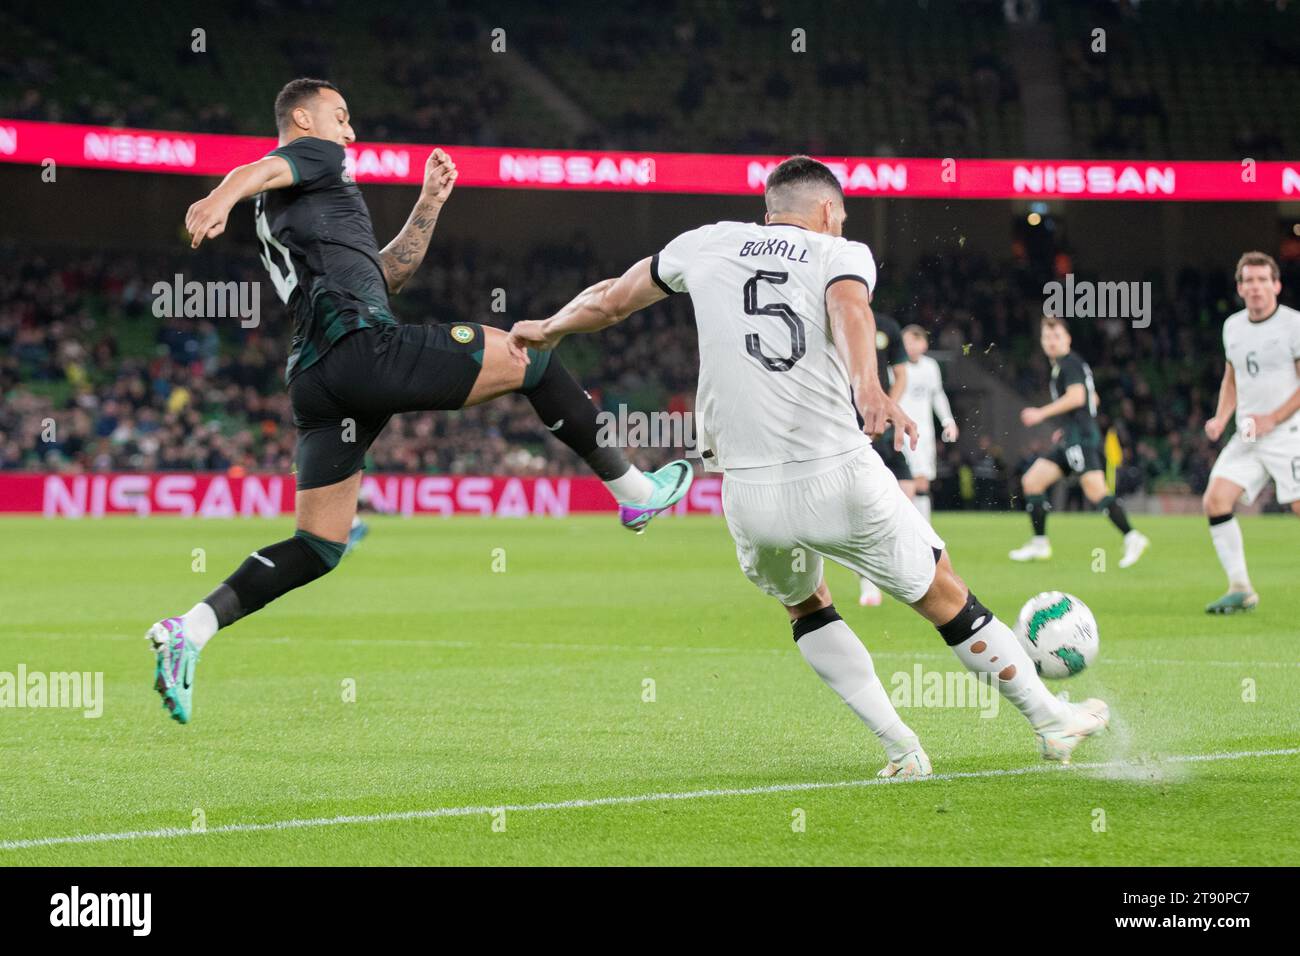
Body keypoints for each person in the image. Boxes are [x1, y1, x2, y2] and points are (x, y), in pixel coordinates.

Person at [508, 156, 1109, 775]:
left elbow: (610, 300)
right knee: (944, 595)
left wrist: (549, 329)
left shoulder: (702, 243)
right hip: (838, 472)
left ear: (769, 210)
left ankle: (901, 749)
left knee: (806, 606)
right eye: (841, 215)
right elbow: (852, 310)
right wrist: (871, 387)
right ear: (828, 211)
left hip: (749, 494)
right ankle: (1049, 719)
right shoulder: (839, 253)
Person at [147, 79, 691, 724]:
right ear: (302, 118)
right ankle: (634, 493)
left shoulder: (295, 207)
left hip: (318, 379)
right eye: (340, 117)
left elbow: (389, 275)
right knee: (533, 356)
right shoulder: (314, 157)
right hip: (361, 351)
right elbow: (260, 166)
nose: (349, 132)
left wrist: (429, 202)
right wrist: (218, 197)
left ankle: (193, 629)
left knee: (320, 545)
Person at [1201, 251, 1300, 613]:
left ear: (1276, 284)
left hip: (1290, 431)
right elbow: (1232, 378)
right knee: (1215, 500)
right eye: (1249, 281)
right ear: (1240, 288)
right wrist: (1220, 417)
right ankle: (1240, 588)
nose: (1256, 287)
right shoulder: (1233, 327)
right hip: (1248, 434)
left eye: (1263, 280)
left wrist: (1273, 417)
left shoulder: (1293, 324)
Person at [1009, 316, 1148, 568]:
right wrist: (1068, 426)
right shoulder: (1069, 366)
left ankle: (1132, 536)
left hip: (1082, 438)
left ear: (1068, 339)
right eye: (1047, 337)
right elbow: (1092, 399)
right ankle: (1040, 544)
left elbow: (1077, 397)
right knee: (1032, 481)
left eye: (1057, 336)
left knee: (1095, 489)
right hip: (1074, 435)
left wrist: (1042, 413)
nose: (1051, 341)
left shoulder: (1069, 363)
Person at [898, 324, 958, 522]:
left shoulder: (931, 366)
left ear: (924, 344)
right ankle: (907, 527)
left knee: (922, 482)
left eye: (915, 341)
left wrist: (948, 421)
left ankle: (924, 529)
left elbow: (937, 395)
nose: (911, 346)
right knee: (906, 481)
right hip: (902, 432)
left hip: (924, 432)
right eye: (907, 342)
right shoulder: (897, 367)